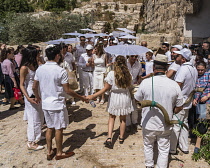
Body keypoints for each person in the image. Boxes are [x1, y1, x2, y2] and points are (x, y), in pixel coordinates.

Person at [33, 46, 87, 160]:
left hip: (46, 103)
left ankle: (49, 151)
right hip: (56, 103)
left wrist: (38, 97)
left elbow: (34, 87)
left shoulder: (40, 69)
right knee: (58, 128)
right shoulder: (60, 71)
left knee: (49, 127)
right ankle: (59, 152)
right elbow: (67, 90)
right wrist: (80, 97)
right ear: (57, 56)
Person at [134, 54, 183, 168]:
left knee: (148, 145)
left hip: (148, 123)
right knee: (164, 148)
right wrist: (171, 112)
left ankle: (149, 165)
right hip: (165, 124)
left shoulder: (145, 83)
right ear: (167, 68)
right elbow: (180, 105)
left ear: (154, 68)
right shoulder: (174, 84)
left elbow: (137, 99)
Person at [87, 56, 134, 147]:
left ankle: (109, 137)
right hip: (125, 96)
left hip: (115, 97)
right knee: (123, 118)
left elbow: (105, 89)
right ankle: (121, 137)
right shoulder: (128, 74)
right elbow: (130, 86)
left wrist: (93, 96)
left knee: (112, 117)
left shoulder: (111, 74)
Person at [170, 48, 198, 154]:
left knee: (176, 125)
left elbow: (178, 85)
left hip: (180, 101)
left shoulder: (183, 69)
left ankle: (172, 148)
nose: (176, 57)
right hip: (188, 101)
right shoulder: (194, 69)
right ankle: (184, 147)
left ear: (183, 59)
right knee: (184, 124)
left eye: (178, 56)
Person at [19, 46, 44, 150]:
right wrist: (28, 98)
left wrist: (40, 60)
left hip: (38, 91)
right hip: (30, 93)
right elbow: (21, 85)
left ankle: (37, 135)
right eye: (36, 53)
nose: (38, 54)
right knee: (33, 117)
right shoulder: (24, 68)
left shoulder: (35, 64)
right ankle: (31, 142)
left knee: (40, 115)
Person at [192, 62, 210, 153]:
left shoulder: (208, 75)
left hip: (207, 101)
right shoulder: (195, 75)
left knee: (202, 121)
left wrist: (207, 96)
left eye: (202, 69)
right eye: (198, 69)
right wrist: (194, 99)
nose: (200, 71)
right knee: (198, 120)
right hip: (198, 102)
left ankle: (198, 144)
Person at [126, 55, 142, 132]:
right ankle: (128, 124)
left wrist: (138, 84)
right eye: (132, 56)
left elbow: (139, 76)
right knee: (127, 105)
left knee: (135, 105)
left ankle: (135, 122)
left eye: (136, 56)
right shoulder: (125, 64)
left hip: (135, 86)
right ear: (129, 56)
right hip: (125, 86)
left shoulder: (139, 65)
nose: (134, 58)